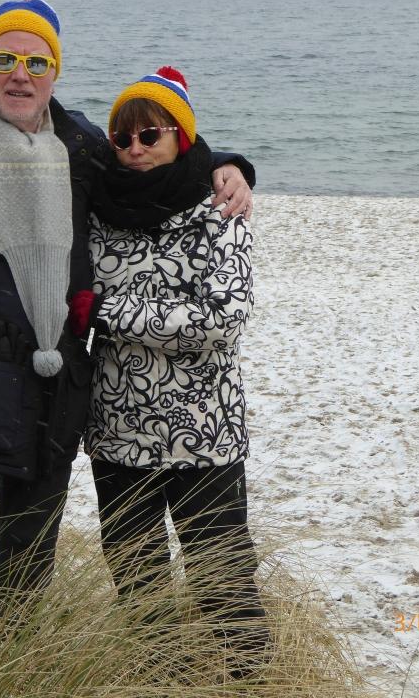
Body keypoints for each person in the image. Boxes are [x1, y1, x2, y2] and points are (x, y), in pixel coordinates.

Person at [0, 0, 255, 617]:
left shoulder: (80, 144)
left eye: (36, 62)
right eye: (4, 59)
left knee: (26, 569)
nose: (20, 75)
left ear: (54, 72)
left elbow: (152, 161)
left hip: (52, 388)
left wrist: (227, 166)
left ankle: (12, 661)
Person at [69, 66, 268, 659]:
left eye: (150, 135)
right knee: (139, 588)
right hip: (117, 432)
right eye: (123, 138)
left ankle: (255, 683)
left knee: (225, 585)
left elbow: (222, 319)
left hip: (203, 434)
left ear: (181, 137)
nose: (135, 148)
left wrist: (106, 313)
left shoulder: (221, 210)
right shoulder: (97, 207)